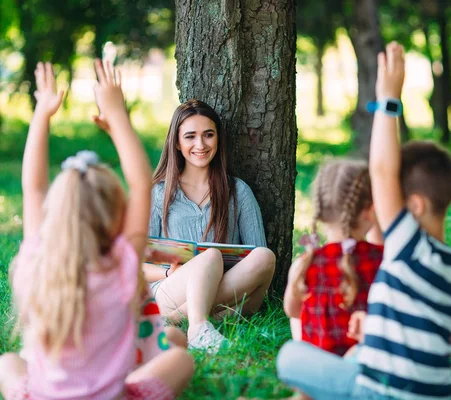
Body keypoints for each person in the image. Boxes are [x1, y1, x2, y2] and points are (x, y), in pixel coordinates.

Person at [277, 41, 451, 400]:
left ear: (413, 206)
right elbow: (450, 337)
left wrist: (388, 99)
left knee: (290, 356)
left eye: (390, 198)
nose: (383, 203)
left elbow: (381, 170)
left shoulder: (406, 247)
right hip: (435, 394)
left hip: (380, 392)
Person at [0, 60, 193, 400]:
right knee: (179, 358)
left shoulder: (37, 264)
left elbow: (33, 188)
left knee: (7, 364)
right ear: (116, 217)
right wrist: (117, 117)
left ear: (55, 214)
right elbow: (141, 185)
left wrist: (42, 113)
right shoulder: (121, 266)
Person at [144, 99, 276, 351]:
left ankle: (187, 319)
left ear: (218, 139)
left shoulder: (238, 191)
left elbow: (257, 262)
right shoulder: (158, 193)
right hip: (169, 289)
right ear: (177, 143)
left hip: (225, 284)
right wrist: (169, 273)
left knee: (265, 257)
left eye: (208, 135)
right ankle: (199, 326)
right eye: (190, 136)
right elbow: (135, 265)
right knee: (209, 257)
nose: (200, 145)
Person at [283, 159, 383, 355]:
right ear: (371, 211)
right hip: (370, 365)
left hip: (322, 370)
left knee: (297, 318)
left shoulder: (305, 264)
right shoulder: (382, 261)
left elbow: (292, 311)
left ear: (320, 210)